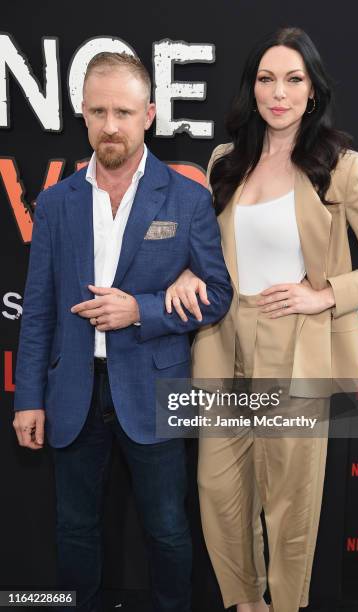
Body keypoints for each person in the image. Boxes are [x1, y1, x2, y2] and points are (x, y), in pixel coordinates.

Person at [165, 28, 358, 612]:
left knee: (291, 503)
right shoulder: (226, 160)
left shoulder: (341, 166)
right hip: (223, 344)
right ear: (253, 88)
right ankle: (245, 603)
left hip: (299, 350)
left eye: (293, 79)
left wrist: (324, 295)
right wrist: (186, 274)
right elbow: (205, 249)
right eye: (267, 79)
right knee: (219, 494)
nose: (279, 92)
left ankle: (286, 605)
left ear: (313, 91)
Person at [12, 51, 232, 612]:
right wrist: (28, 398)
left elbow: (219, 293)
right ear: (82, 115)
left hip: (156, 386)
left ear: (150, 114)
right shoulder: (56, 203)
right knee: (75, 529)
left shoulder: (186, 199)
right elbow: (37, 311)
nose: (111, 125)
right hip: (72, 392)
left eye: (125, 112)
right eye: (99, 111)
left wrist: (144, 310)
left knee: (166, 529)